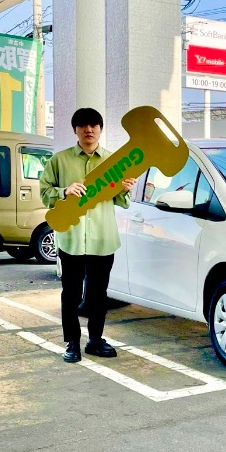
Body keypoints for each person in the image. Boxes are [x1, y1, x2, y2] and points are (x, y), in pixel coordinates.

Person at [40, 108, 136, 363]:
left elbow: (121, 202)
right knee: (70, 294)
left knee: (98, 294)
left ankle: (95, 340)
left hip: (102, 239)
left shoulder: (113, 162)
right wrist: (64, 191)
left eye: (93, 125)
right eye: (83, 126)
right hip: (71, 239)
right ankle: (72, 342)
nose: (88, 130)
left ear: (100, 129)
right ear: (75, 130)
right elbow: (44, 192)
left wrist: (125, 189)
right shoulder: (59, 161)